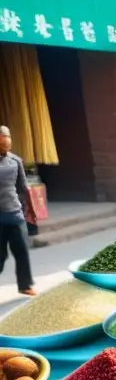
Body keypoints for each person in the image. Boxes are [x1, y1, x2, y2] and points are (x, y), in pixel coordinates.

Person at [0, 126, 34, 295]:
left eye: (8, 139)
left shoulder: (16, 161)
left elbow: (24, 187)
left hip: (15, 214)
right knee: (0, 256)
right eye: (3, 140)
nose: (6, 143)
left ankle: (25, 285)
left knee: (22, 251)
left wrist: (31, 210)